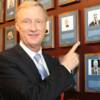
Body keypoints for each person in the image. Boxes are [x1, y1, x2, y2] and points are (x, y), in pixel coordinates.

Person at [0, 1, 80, 100]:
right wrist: (66, 67)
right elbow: (33, 96)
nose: (33, 28)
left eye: (38, 21)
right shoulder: (5, 60)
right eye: (26, 21)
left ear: (45, 26)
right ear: (17, 26)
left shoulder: (52, 61)